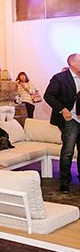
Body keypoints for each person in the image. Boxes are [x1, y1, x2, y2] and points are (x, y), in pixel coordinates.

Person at [44, 53, 80, 194]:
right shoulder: (60, 78)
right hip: (70, 119)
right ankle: (65, 181)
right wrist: (62, 109)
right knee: (68, 151)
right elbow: (48, 95)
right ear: (72, 63)